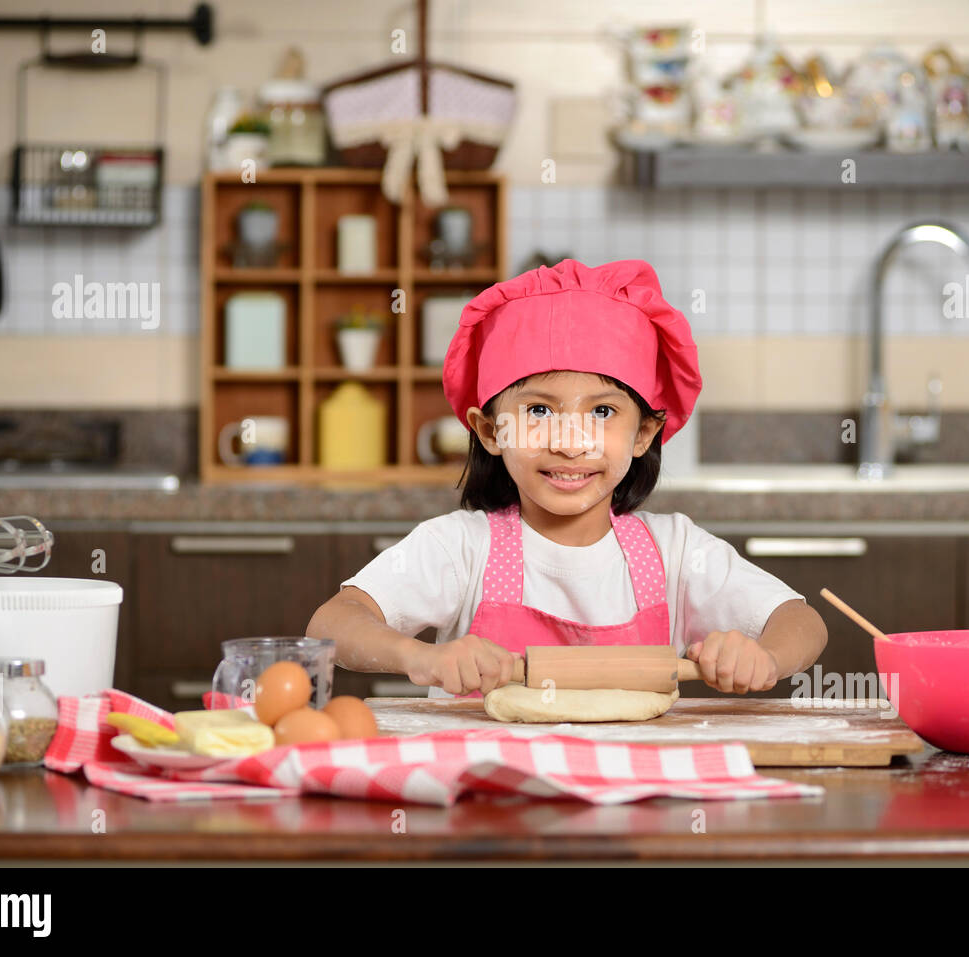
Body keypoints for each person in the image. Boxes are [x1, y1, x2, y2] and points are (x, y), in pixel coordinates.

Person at [307, 259, 826, 698]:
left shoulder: (675, 552)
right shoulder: (459, 548)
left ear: (644, 432)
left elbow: (801, 621)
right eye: (538, 410)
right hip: (487, 797)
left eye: (602, 413)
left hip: (635, 797)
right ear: (490, 431)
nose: (570, 441)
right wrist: (416, 656)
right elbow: (332, 624)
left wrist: (764, 657)